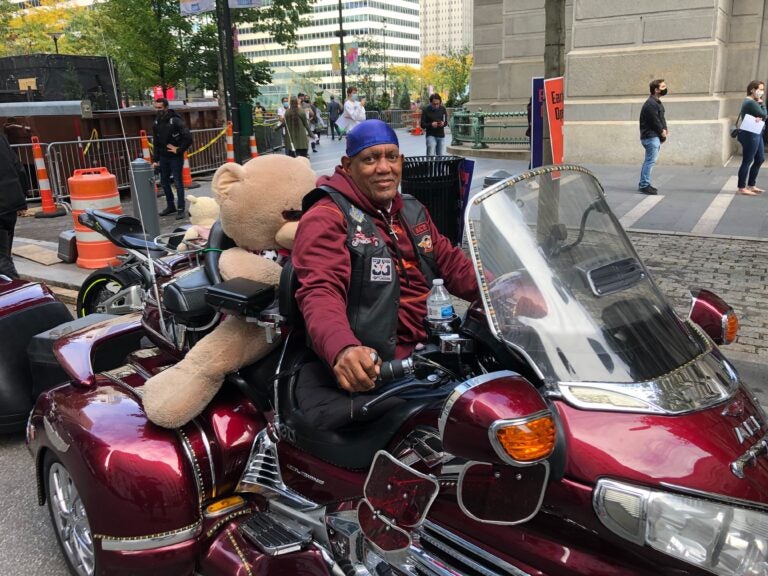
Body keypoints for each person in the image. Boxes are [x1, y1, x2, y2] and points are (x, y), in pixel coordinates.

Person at [292, 119, 479, 429]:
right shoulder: (327, 216)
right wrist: (344, 349)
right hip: (384, 365)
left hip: (435, 350)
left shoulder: (410, 209)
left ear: (401, 161)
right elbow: (320, 291)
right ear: (347, 165)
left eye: (391, 157)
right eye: (370, 159)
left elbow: (452, 264)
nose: (383, 168)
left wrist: (501, 291)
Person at [152, 98, 193, 219]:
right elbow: (156, 142)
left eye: (160, 108)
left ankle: (181, 208)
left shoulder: (175, 120)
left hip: (175, 157)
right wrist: (155, 160)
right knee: (164, 182)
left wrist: (179, 149)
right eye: (156, 107)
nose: (158, 110)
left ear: (166, 107)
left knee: (177, 182)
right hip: (163, 157)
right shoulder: (157, 121)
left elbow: (188, 137)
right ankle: (171, 206)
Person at [0, 133, 28, 278]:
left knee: (2, 260)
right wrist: (21, 197)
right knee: (5, 252)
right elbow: (18, 167)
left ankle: (15, 288)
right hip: (9, 204)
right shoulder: (2, 138)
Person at [736, 80, 767, 195]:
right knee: (747, 160)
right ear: (752, 90)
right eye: (760, 89)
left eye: (763, 89)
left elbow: (762, 116)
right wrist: (761, 103)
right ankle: (742, 187)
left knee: (760, 159)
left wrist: (762, 115)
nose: (761, 92)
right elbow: (764, 114)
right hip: (749, 134)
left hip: (756, 132)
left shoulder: (754, 102)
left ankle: (751, 185)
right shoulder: (750, 102)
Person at [637, 79, 668, 195]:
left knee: (650, 161)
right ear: (656, 90)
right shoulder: (650, 104)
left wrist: (665, 130)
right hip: (650, 137)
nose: (665, 89)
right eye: (663, 87)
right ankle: (644, 185)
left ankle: (645, 184)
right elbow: (655, 121)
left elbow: (661, 118)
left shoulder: (657, 102)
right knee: (650, 161)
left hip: (653, 137)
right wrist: (661, 131)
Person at [3, 117, 35, 191]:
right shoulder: (8, 131)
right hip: (18, 155)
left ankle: (31, 191)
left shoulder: (21, 128)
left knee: (29, 171)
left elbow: (33, 133)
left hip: (26, 156)